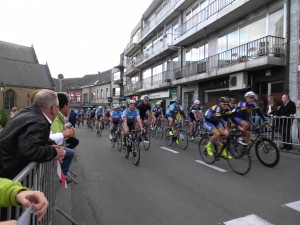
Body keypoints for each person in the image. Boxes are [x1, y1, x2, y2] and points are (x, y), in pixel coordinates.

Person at [0, 89, 66, 179]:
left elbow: (34, 138)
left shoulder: (26, 113)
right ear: (53, 109)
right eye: (58, 108)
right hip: (8, 174)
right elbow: (29, 151)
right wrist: (54, 152)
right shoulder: (39, 122)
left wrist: (51, 145)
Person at [50, 92, 78, 182]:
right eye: (68, 105)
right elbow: (53, 137)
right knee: (69, 152)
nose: (69, 107)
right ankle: (62, 176)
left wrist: (67, 133)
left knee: (70, 150)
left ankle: (62, 174)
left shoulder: (59, 117)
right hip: (51, 147)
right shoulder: (56, 118)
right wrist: (66, 133)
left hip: (53, 146)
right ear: (64, 105)